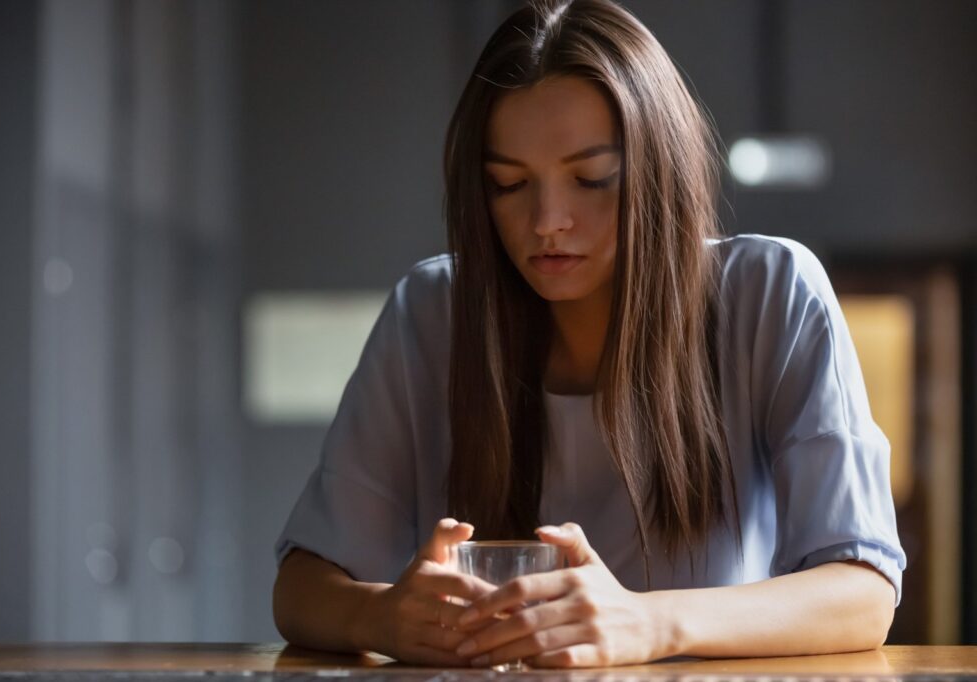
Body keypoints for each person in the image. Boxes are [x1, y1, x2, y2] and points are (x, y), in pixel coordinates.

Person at [272, 0, 905, 668]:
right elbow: (301, 588)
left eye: (591, 179)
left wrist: (648, 622)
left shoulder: (770, 292)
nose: (547, 221)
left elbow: (862, 591)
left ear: (657, 171)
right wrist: (380, 615)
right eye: (508, 185)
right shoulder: (433, 311)